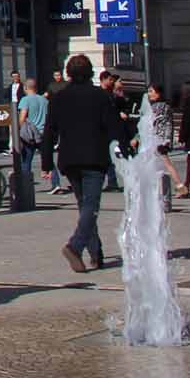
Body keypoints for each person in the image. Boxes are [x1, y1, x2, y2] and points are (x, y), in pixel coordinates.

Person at [43, 53, 127, 273]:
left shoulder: (59, 98)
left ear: (69, 73)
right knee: (91, 206)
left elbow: (49, 130)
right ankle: (75, 246)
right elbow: (114, 126)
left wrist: (45, 162)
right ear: (90, 73)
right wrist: (126, 147)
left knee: (85, 207)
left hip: (69, 159)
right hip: (93, 158)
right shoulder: (99, 96)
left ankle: (96, 254)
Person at [14, 77, 47, 208]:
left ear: (25, 88)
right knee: (47, 157)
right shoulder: (44, 100)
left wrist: (17, 131)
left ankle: (25, 185)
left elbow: (22, 117)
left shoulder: (25, 100)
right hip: (43, 133)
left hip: (30, 134)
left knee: (26, 160)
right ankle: (56, 184)